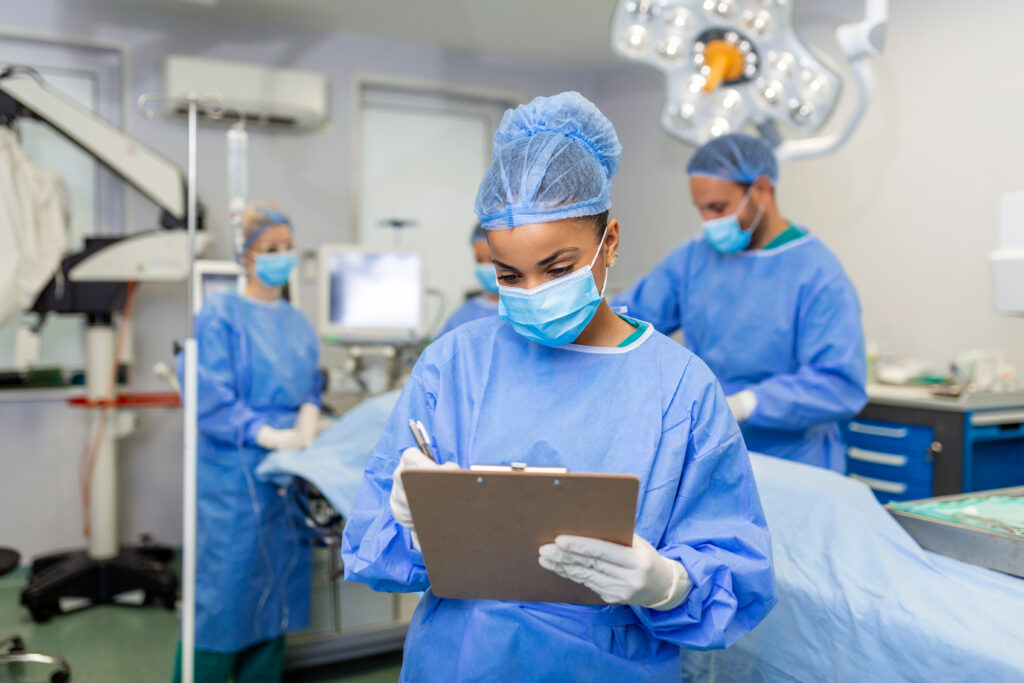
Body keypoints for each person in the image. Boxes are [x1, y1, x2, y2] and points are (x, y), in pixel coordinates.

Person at [342, 92, 775, 681]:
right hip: (461, 660)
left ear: (611, 242)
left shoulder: (679, 387)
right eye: (508, 276)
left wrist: (668, 585)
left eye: (558, 268)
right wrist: (413, 526)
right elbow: (372, 542)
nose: (532, 292)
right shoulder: (455, 365)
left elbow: (735, 573)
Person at [612, 134, 867, 472]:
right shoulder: (693, 258)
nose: (708, 221)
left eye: (718, 208)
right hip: (711, 452)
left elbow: (839, 385)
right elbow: (625, 320)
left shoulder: (817, 273)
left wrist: (746, 404)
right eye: (701, 209)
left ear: (761, 190)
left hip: (792, 464)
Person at [173, 202, 321, 683]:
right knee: (225, 590)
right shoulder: (221, 314)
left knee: (275, 588)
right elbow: (205, 390)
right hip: (234, 472)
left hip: (286, 473)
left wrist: (308, 417)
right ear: (246, 257)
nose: (281, 256)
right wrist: (264, 432)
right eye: (269, 248)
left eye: (287, 248)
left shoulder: (298, 322)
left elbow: (310, 386)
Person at [436, 223, 499, 336]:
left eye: (491, 259)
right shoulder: (464, 315)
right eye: (479, 260)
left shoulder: (524, 314)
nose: (485, 266)